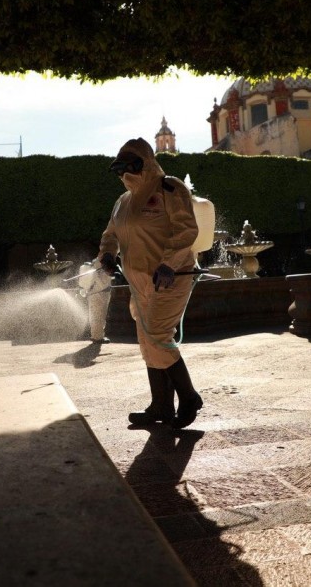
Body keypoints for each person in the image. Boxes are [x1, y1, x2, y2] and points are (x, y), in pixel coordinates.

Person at [98, 137, 203, 429]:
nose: (123, 173)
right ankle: (160, 406)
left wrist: (169, 263)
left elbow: (185, 230)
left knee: (157, 336)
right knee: (147, 342)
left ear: (144, 163)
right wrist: (107, 255)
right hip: (140, 282)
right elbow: (110, 234)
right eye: (119, 168)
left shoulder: (169, 188)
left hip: (172, 277)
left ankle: (189, 397)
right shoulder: (123, 202)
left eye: (129, 165)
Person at [77, 258, 112, 344]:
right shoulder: (100, 266)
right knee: (98, 316)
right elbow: (104, 281)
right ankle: (97, 337)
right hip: (98, 293)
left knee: (97, 315)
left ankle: (98, 336)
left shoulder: (98, 265)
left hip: (96, 293)